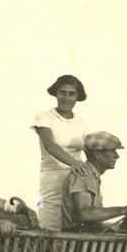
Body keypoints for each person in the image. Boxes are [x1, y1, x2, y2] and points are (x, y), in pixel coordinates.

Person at [32, 74, 89, 230]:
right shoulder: (44, 117)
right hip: (52, 178)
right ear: (56, 93)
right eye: (62, 92)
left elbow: (90, 150)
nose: (66, 98)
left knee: (76, 226)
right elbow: (50, 145)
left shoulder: (82, 123)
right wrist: (74, 163)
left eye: (72, 94)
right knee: (50, 226)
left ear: (78, 97)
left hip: (76, 179)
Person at [61, 131, 127, 231]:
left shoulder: (92, 176)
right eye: (112, 150)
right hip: (77, 241)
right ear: (97, 154)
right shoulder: (83, 174)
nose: (117, 156)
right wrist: (125, 209)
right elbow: (85, 214)